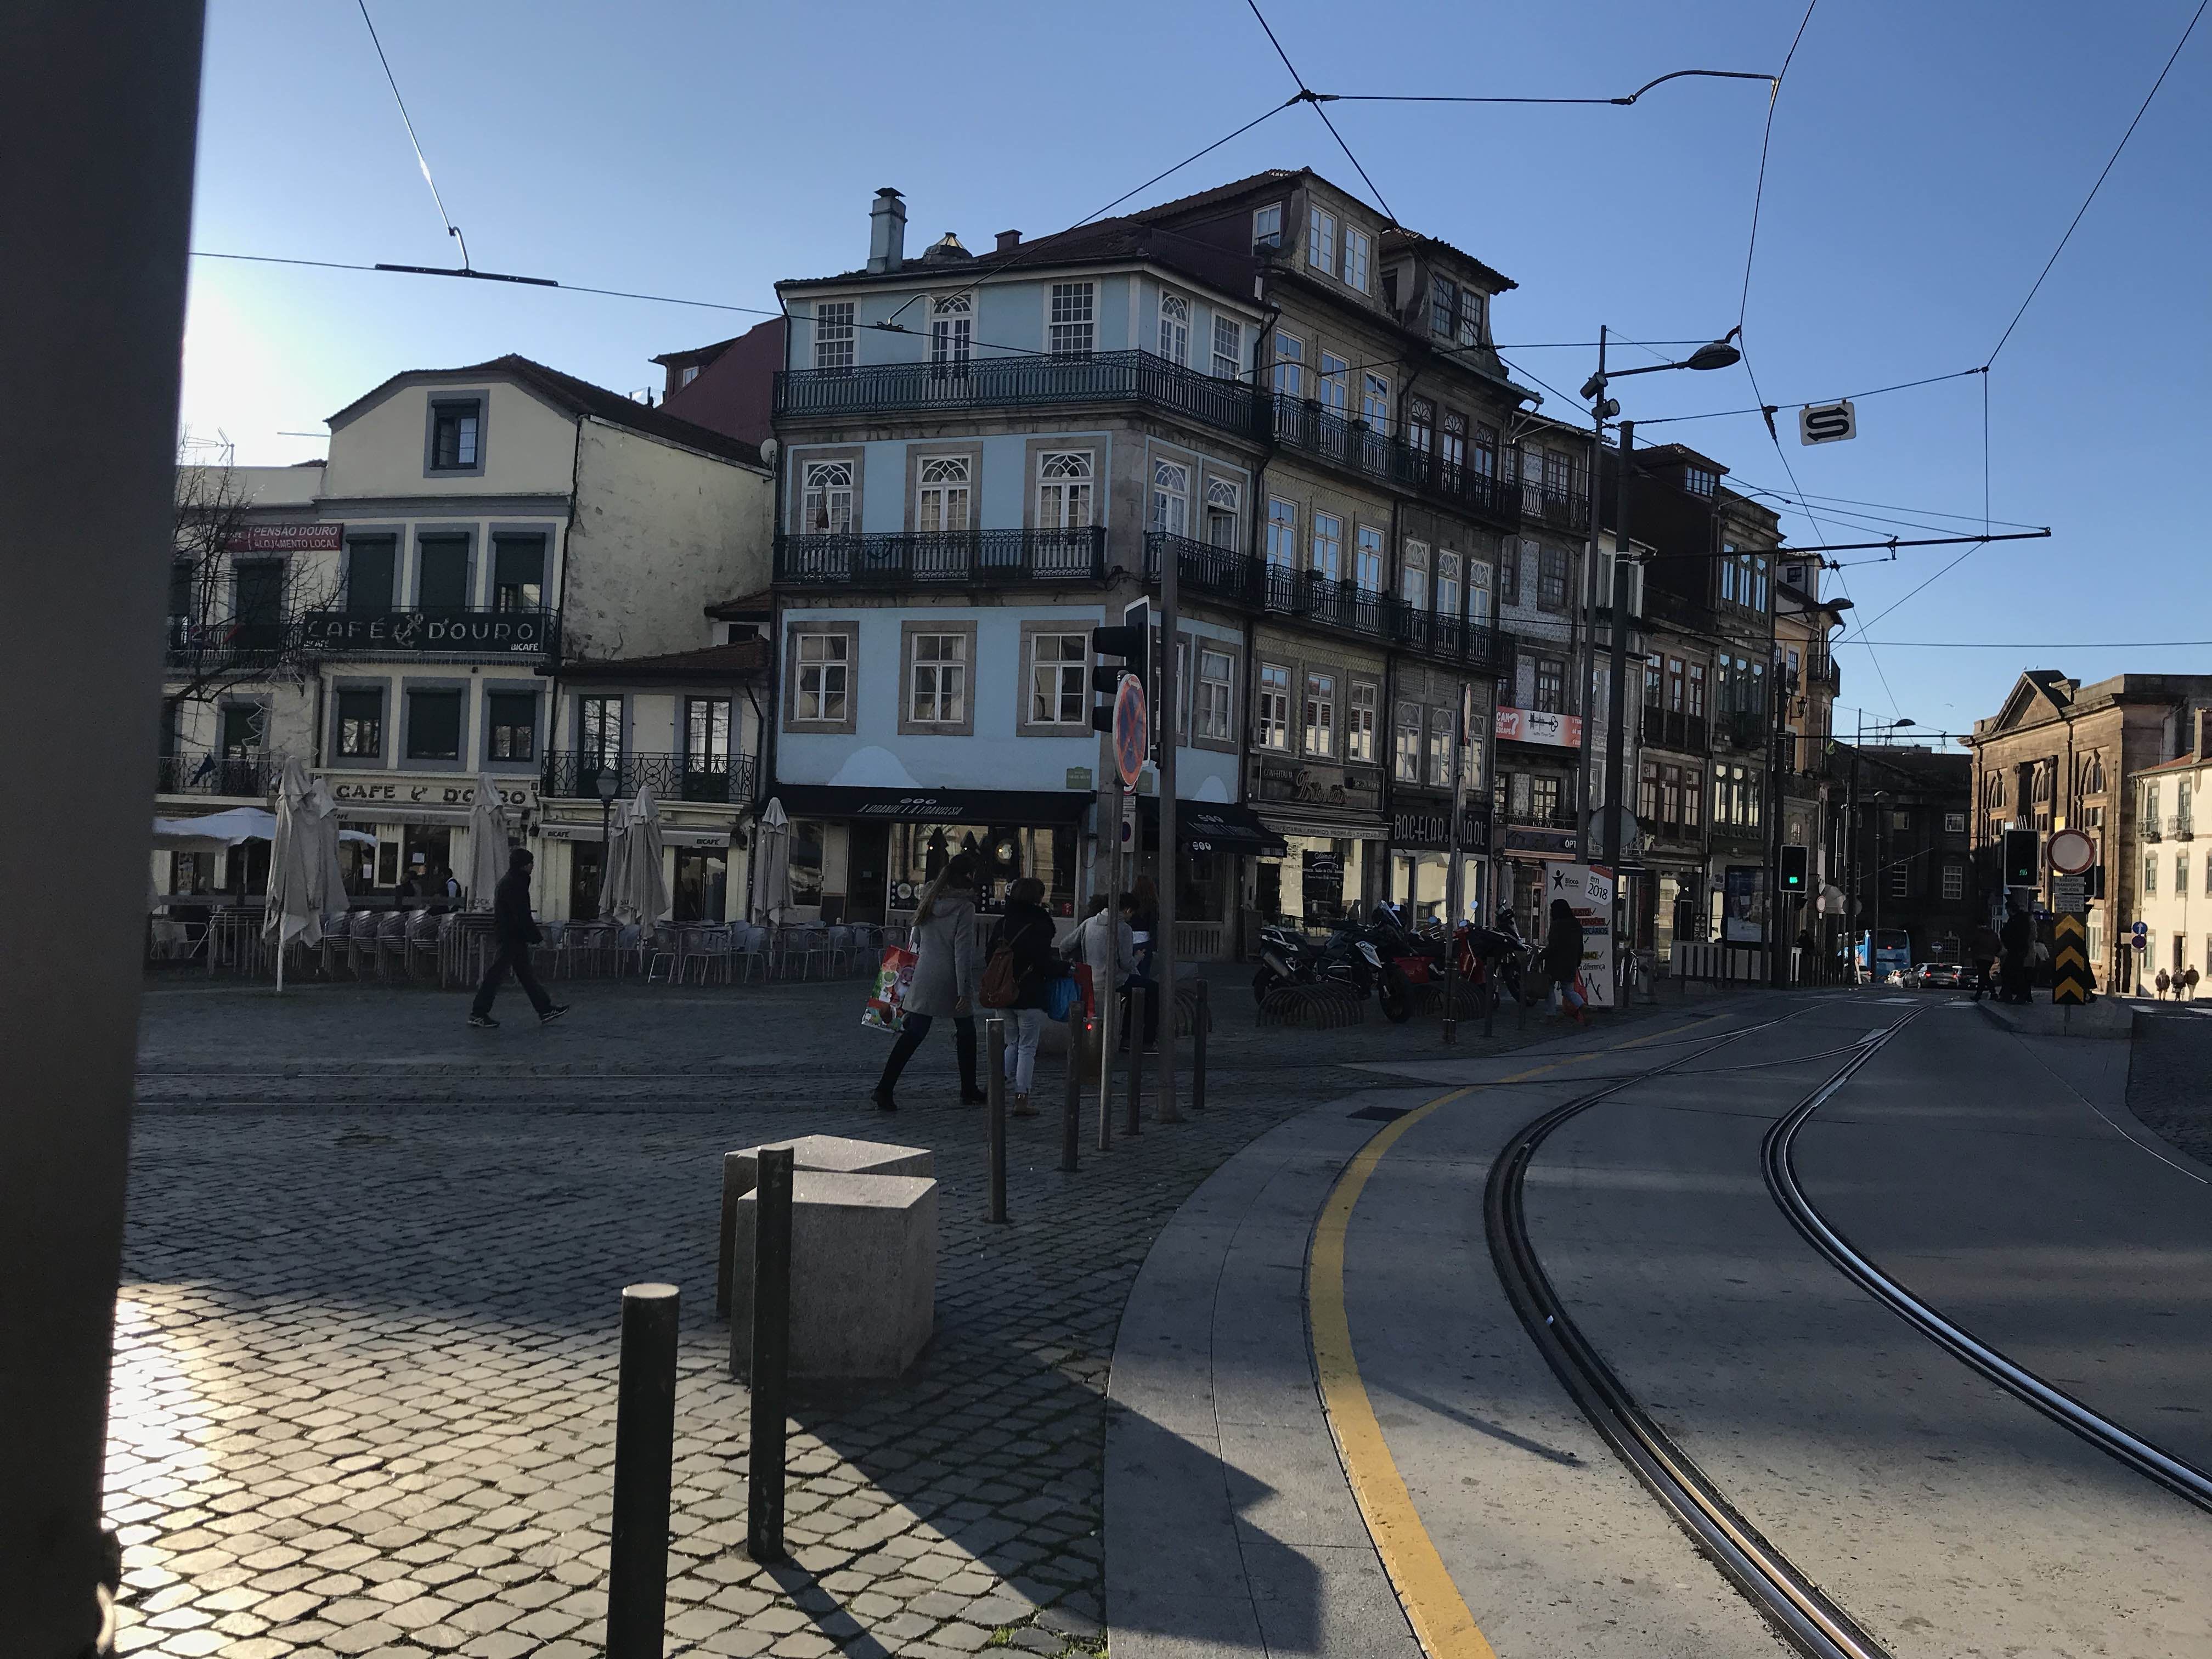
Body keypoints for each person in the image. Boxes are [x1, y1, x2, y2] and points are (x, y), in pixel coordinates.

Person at [873, 852, 985, 1112]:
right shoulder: (965, 908)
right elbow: (962, 951)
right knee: (967, 1033)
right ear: (969, 877)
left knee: (915, 1033)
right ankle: (968, 1088)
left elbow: (916, 940)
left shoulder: (929, 901)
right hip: (950, 978)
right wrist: (964, 989)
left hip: (924, 974)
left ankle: (884, 1088)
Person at [469, 848, 569, 1029]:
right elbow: (521, 914)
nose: (533, 866)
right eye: (531, 863)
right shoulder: (516, 884)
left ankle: (544, 1009)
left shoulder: (511, 882)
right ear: (523, 865)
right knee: (498, 973)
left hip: (510, 934)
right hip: (511, 936)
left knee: (524, 974)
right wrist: (536, 937)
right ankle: (479, 1012)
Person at [987, 876, 1060, 1117]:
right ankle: (1021, 1098)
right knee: (1028, 1047)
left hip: (1003, 992)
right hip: (1030, 993)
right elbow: (1043, 962)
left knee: (1012, 1043)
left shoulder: (1004, 923)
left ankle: (995, 1090)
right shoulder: (1040, 924)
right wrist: (1062, 969)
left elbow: (990, 957)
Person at [1539, 896, 1589, 1025]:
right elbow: (1580, 946)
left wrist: (1541, 956)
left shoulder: (1558, 925)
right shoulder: (1576, 924)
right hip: (1570, 962)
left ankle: (1551, 1014)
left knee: (1548, 988)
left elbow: (1553, 946)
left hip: (1555, 963)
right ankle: (1582, 1006)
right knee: (1568, 990)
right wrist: (1577, 960)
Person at [1999, 905, 2034, 1005]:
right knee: (2010, 972)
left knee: (2016, 973)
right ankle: (2009, 994)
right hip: (2016, 949)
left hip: (2018, 950)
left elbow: (2019, 935)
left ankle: (2018, 996)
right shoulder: (2016, 919)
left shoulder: (2019, 920)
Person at [1970, 921, 2004, 1002]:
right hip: (1990, 958)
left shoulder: (1979, 934)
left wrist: (1974, 953)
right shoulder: (1994, 935)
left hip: (1980, 957)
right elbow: (1998, 947)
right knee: (1984, 975)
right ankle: (1990, 993)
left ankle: (1985, 994)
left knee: (1983, 976)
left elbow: (1973, 944)